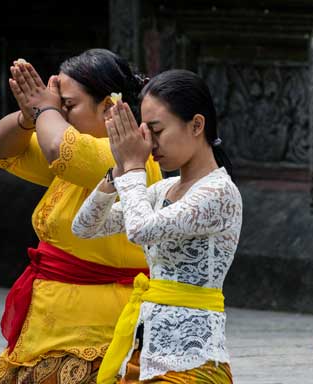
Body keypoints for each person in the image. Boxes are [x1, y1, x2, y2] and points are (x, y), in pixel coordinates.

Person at [0, 49, 162, 384]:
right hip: (53, 320)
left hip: (99, 328)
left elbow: (60, 150)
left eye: (68, 105)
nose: (58, 115)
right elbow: (1, 149)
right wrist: (28, 117)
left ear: (109, 107)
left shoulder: (125, 155)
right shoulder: (77, 154)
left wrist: (46, 109)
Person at [72, 69, 243, 384]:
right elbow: (84, 227)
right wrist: (118, 170)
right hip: (145, 352)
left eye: (157, 130)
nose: (149, 143)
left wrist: (135, 168)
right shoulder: (165, 189)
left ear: (196, 125)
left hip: (194, 360)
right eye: (144, 132)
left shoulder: (219, 192)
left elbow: (140, 230)